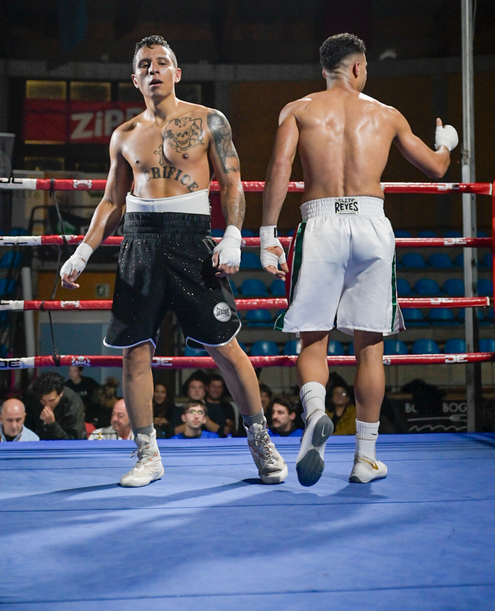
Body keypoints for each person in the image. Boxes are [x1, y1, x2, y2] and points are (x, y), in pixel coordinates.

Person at [60, 34, 287, 487]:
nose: (153, 70)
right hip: (139, 242)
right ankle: (147, 455)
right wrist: (83, 251)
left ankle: (261, 441)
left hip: (192, 240)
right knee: (134, 352)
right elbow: (111, 200)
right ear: (135, 78)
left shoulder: (209, 120)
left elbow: (233, 182)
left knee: (225, 347)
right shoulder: (124, 135)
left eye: (161, 62)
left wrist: (233, 235)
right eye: (145, 64)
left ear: (177, 73)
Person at [261, 32, 458, 486]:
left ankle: (315, 414)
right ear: (357, 67)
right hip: (371, 224)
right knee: (370, 346)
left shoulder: (299, 109)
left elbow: (279, 168)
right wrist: (446, 141)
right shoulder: (386, 114)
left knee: (313, 339)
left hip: (320, 222)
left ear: (324, 70)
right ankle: (365, 460)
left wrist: (268, 235)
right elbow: (436, 168)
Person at [30, 371, 87, 440]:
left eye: (52, 400)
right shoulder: (32, 395)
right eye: (43, 400)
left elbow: (73, 442)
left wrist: (52, 424)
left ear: (61, 394)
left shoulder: (73, 404)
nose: (47, 406)